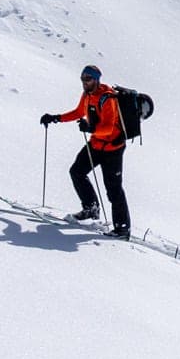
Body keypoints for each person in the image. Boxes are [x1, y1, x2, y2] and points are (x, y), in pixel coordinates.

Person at [40, 66, 130, 237]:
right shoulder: (87, 95)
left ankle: (122, 228)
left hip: (113, 148)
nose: (84, 82)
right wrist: (56, 118)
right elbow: (78, 112)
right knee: (77, 172)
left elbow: (109, 127)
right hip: (96, 144)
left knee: (113, 189)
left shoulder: (107, 98)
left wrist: (90, 128)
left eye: (88, 79)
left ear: (96, 80)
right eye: (82, 79)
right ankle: (91, 208)